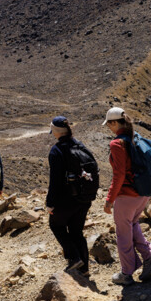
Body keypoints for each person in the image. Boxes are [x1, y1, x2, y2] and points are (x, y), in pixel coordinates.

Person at [103, 107, 151, 285]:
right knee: (133, 224)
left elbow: (119, 175)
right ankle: (149, 257)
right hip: (143, 194)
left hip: (127, 196)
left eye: (109, 125)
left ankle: (126, 272)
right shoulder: (135, 138)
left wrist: (109, 200)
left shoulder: (117, 144)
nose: (108, 128)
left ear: (114, 123)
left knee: (123, 233)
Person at [46, 116, 94, 277]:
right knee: (76, 231)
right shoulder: (79, 145)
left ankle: (74, 258)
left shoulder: (57, 150)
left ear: (56, 131)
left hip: (66, 199)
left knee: (56, 226)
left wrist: (50, 203)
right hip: (84, 197)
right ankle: (84, 268)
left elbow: (55, 180)